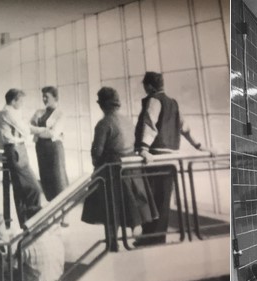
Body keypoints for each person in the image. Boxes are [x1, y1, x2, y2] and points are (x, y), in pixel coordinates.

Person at [134, 71, 205, 245]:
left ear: (149, 86)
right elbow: (184, 127)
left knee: (151, 200)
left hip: (156, 157)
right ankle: (156, 238)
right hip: (170, 160)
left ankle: (152, 238)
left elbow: (149, 124)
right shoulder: (173, 103)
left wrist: (143, 149)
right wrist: (199, 146)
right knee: (163, 201)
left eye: (145, 85)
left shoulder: (154, 100)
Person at [83, 87, 155, 230]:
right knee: (129, 208)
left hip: (112, 172)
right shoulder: (127, 120)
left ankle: (113, 242)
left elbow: (97, 151)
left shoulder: (104, 123)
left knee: (111, 210)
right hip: (131, 169)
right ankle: (127, 238)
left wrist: (96, 164)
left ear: (102, 104)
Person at [0, 88, 44, 224]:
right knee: (34, 188)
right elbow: (25, 129)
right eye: (21, 101)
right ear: (13, 100)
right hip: (16, 151)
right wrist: (44, 130)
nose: (22, 104)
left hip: (16, 150)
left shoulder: (4, 113)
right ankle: (34, 221)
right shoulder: (7, 112)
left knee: (20, 191)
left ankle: (25, 223)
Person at [31, 86, 69, 202]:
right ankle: (52, 211)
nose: (44, 99)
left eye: (46, 97)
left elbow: (53, 134)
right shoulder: (39, 112)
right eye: (43, 97)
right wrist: (44, 130)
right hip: (41, 149)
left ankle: (64, 216)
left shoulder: (61, 114)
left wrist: (37, 130)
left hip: (54, 150)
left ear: (55, 97)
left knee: (58, 180)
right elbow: (29, 127)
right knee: (46, 181)